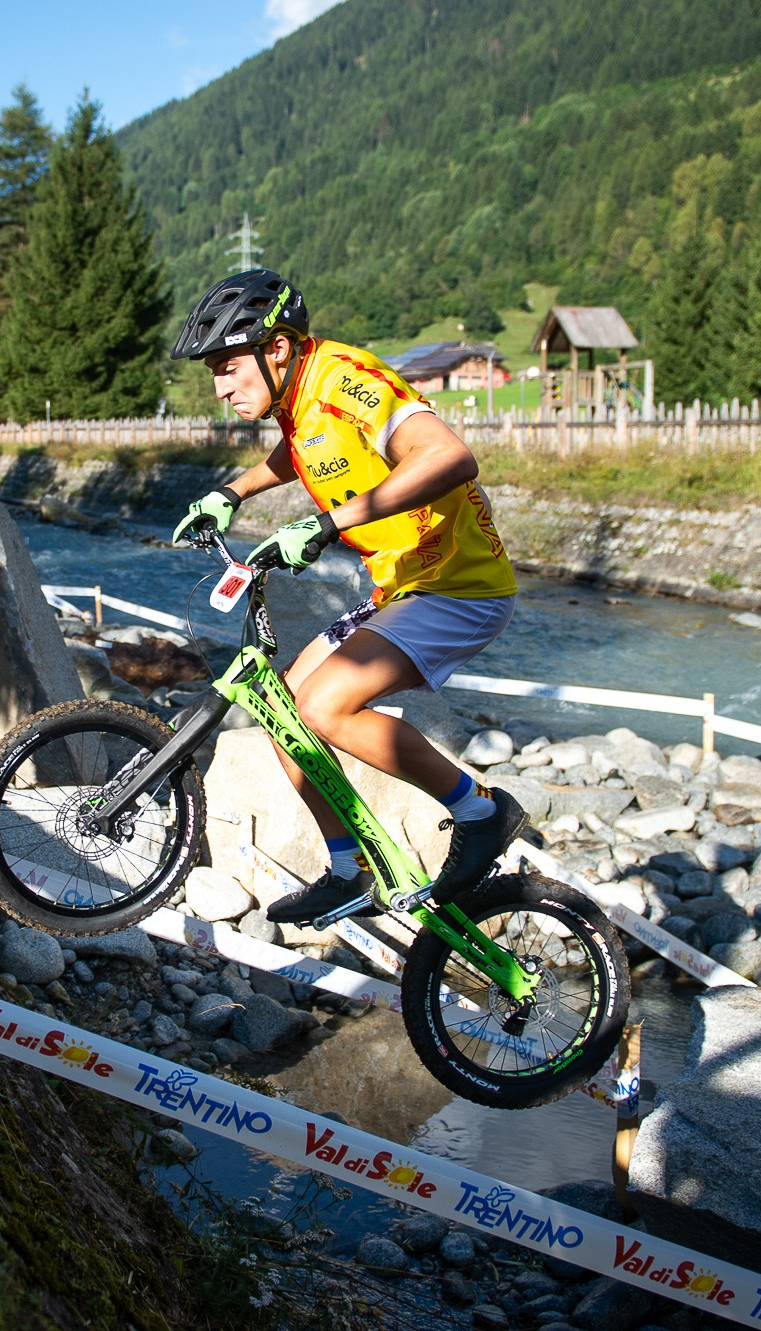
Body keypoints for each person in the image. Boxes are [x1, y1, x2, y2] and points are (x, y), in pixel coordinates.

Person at [168, 268, 527, 923]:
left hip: (459, 586)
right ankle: (347, 865)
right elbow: (299, 452)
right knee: (284, 708)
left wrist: (330, 522)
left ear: (275, 348)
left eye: (227, 367)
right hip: (406, 589)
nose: (220, 388)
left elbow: (448, 454)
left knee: (326, 705)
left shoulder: (346, 381)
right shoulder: (300, 396)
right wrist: (232, 492)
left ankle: (481, 809)